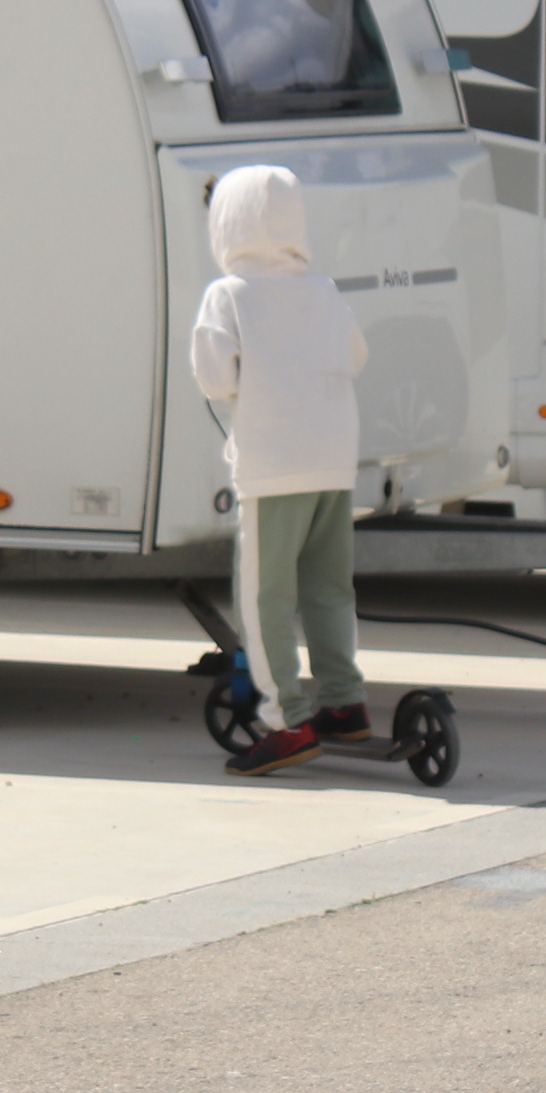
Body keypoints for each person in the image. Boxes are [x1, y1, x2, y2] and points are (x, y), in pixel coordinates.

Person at [190, 162, 369, 776]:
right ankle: (343, 703)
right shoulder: (322, 289)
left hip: (274, 464)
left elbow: (215, 376)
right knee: (327, 586)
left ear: (228, 225)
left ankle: (285, 719)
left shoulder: (229, 293)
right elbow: (356, 356)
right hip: (334, 459)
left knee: (265, 596)